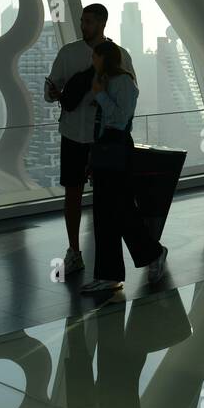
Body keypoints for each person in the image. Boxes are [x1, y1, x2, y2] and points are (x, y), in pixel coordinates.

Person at [45, 3, 134, 277]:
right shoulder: (70, 52)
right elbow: (50, 92)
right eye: (83, 21)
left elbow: (126, 93)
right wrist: (54, 92)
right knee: (74, 192)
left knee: (106, 196)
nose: (84, 26)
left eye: (90, 22)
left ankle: (99, 257)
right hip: (76, 134)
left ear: (102, 23)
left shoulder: (116, 55)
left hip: (99, 136)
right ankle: (77, 252)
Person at [80, 40, 165, 294]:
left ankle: (153, 253)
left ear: (104, 58)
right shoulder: (105, 82)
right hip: (106, 150)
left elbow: (120, 119)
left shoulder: (123, 83)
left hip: (117, 150)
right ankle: (109, 275)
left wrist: (100, 94)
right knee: (104, 214)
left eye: (95, 57)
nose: (92, 61)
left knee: (122, 210)